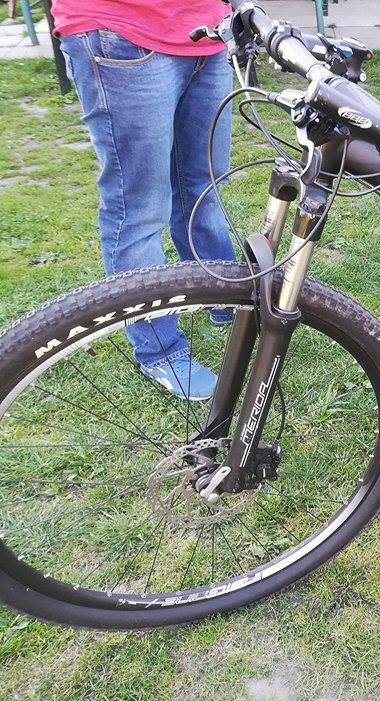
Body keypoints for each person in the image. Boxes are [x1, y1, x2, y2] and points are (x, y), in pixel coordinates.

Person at [52, 0, 237, 401]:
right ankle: (160, 349)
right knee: (138, 210)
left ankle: (225, 300)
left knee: (203, 192)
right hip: (120, 32)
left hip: (207, 34)